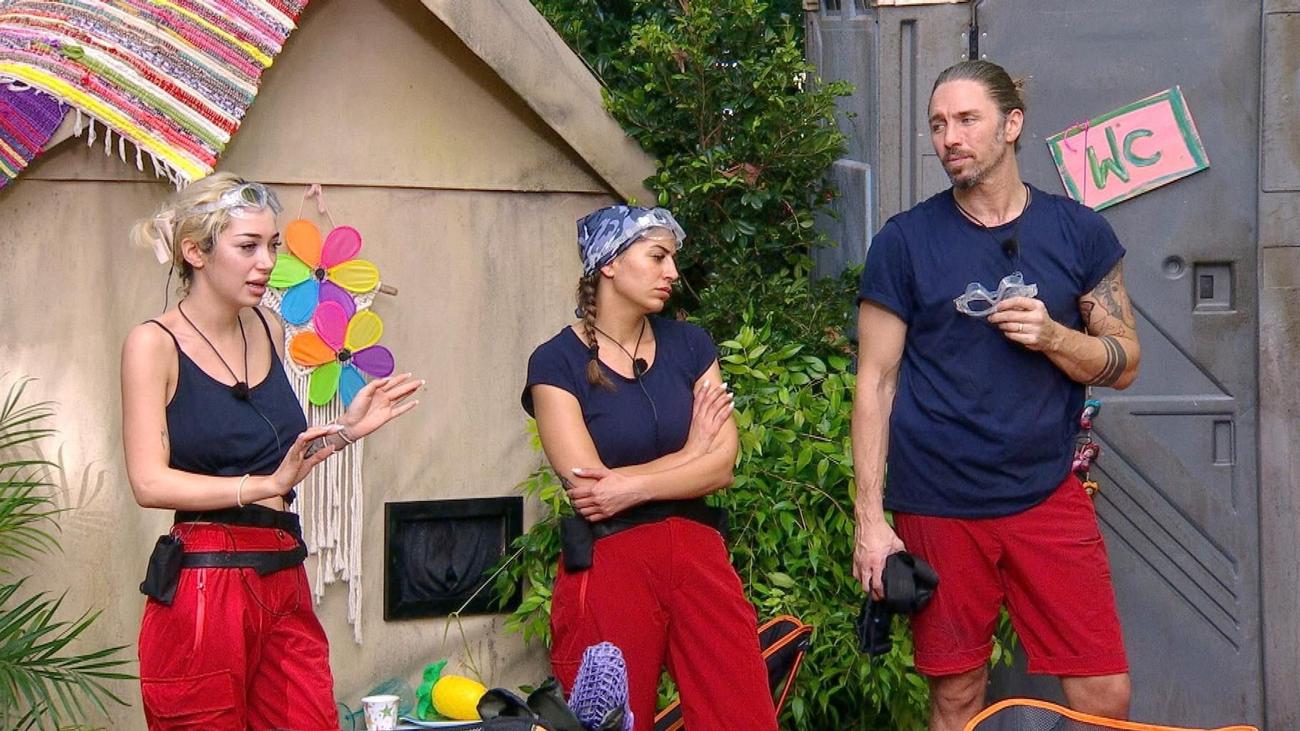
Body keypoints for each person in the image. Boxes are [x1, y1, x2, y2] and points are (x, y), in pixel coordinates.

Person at [851, 60, 1141, 731]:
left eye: (966, 119)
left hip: (1046, 493)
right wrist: (869, 521)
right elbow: (874, 383)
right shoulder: (904, 241)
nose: (949, 137)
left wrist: (1053, 337)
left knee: (1105, 693)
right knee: (957, 696)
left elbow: (1125, 361)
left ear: (1011, 124)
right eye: (938, 124)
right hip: (938, 502)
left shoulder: (1077, 232)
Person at [121, 173, 421, 730]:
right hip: (207, 579)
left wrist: (345, 431)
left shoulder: (268, 326)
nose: (266, 262)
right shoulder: (153, 344)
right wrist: (263, 486)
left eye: (272, 245)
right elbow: (149, 482)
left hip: (282, 567)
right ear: (195, 253)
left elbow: (276, 462)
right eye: (248, 246)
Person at [521, 205, 777, 731]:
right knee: (608, 718)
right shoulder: (555, 362)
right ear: (609, 264)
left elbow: (721, 465)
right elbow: (592, 490)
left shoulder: (691, 345)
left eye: (672, 259)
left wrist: (633, 484)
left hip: (698, 553)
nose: (672, 272)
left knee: (741, 714)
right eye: (658, 257)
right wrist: (691, 452)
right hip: (611, 561)